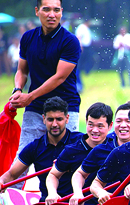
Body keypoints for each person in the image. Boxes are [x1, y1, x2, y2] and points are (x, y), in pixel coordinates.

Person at [9, 0, 81, 159]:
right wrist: (18, 89)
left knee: (66, 160)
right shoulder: (28, 37)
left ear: (61, 12)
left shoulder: (70, 41)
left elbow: (59, 77)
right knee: (22, 156)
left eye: (56, 10)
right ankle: (11, 185)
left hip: (66, 107)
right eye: (46, 9)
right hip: (36, 107)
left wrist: (29, 96)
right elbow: (22, 70)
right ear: (37, 11)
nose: (52, 15)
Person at [0, 97, 82, 202]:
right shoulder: (34, 147)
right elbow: (11, 175)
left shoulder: (80, 142)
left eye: (59, 119)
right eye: (50, 119)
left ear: (67, 118)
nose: (54, 124)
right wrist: (1, 181)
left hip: (77, 204)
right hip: (47, 204)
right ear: (43, 119)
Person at [69, 102, 130, 205]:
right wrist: (78, 193)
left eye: (128, 121)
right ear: (113, 125)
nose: (123, 125)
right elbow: (79, 174)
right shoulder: (101, 149)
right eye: (119, 121)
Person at [45, 103, 113, 205]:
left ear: (110, 126)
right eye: (91, 125)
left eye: (100, 126)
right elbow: (53, 175)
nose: (95, 130)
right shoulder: (71, 150)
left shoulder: (116, 149)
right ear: (86, 123)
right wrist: (52, 193)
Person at [75, 19, 93, 92]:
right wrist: (80, 47)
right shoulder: (81, 27)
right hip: (83, 48)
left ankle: (80, 83)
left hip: (86, 48)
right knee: (78, 67)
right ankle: (79, 85)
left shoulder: (86, 28)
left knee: (81, 66)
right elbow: (79, 37)